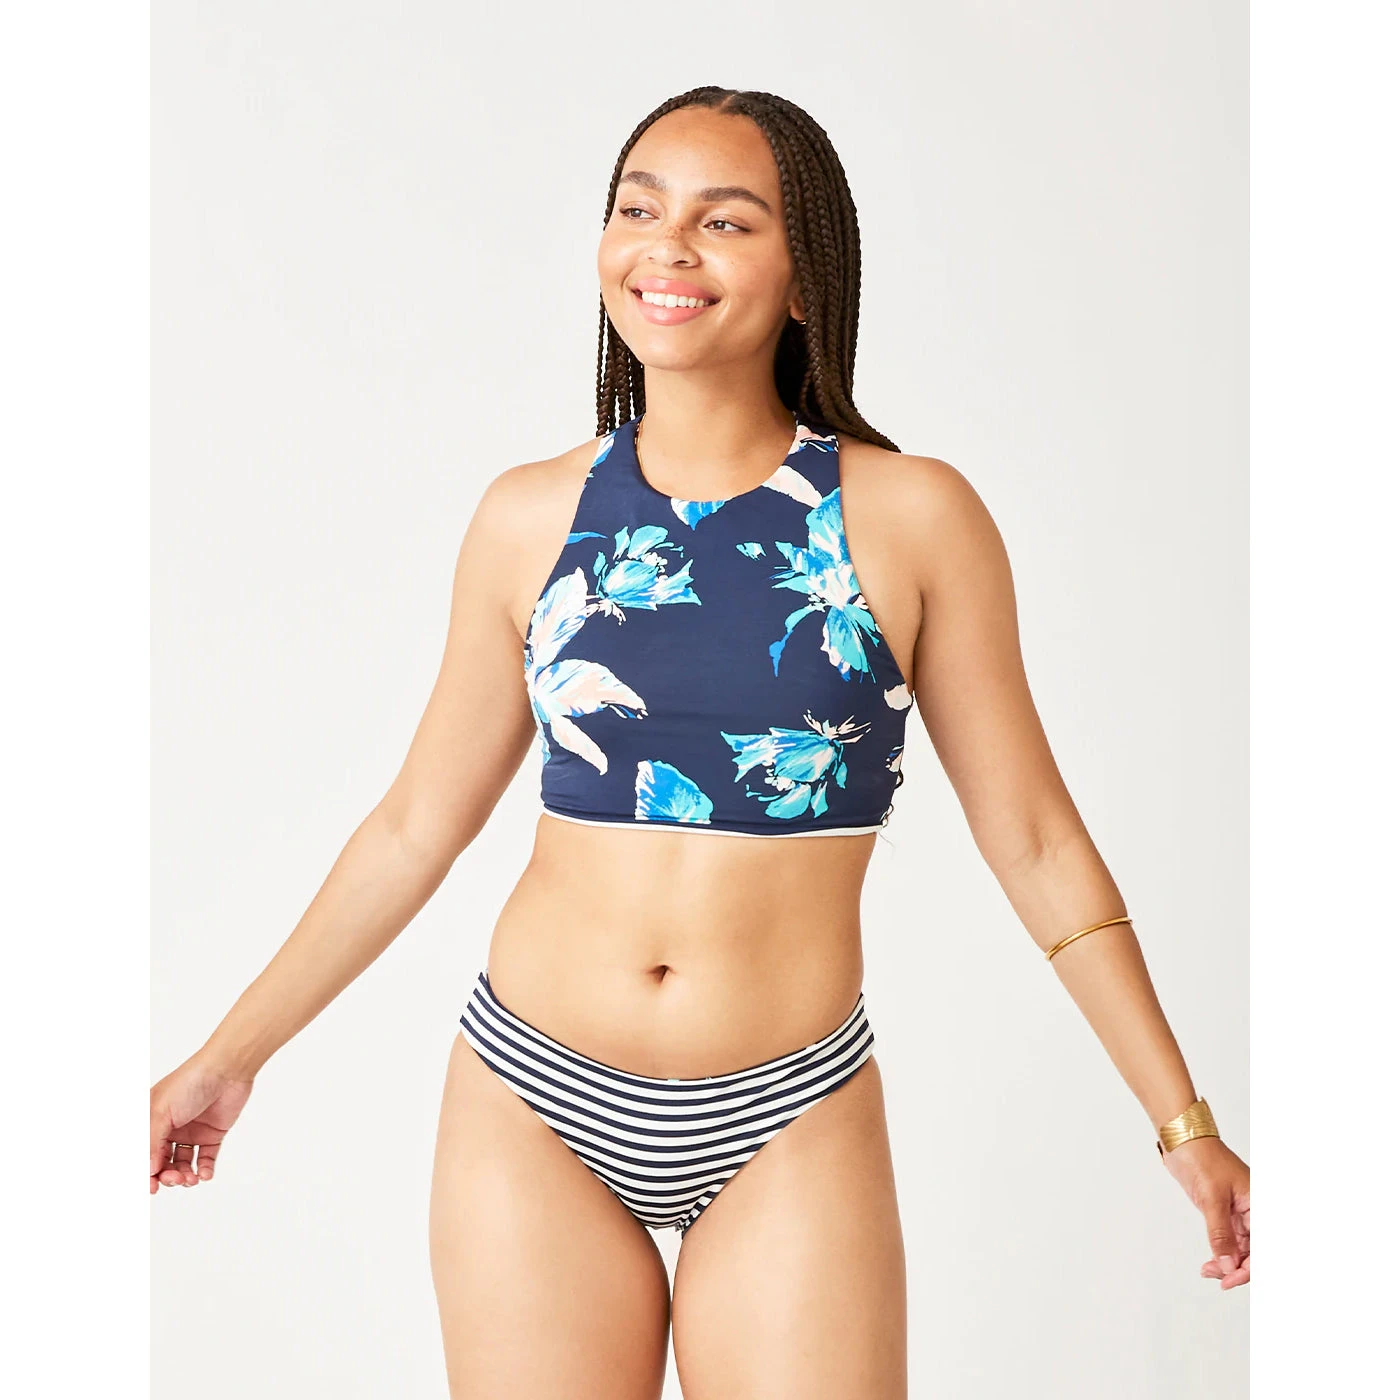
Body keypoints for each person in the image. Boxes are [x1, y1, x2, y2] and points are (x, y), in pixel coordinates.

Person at [150, 86, 1250, 1398]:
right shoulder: (528, 517)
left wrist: (1181, 1121)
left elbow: (1035, 841)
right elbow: (412, 828)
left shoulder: (912, 517)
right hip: (531, 1096)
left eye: (724, 221)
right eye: (639, 210)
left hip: (791, 1108)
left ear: (805, 278)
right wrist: (227, 1059)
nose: (667, 247)